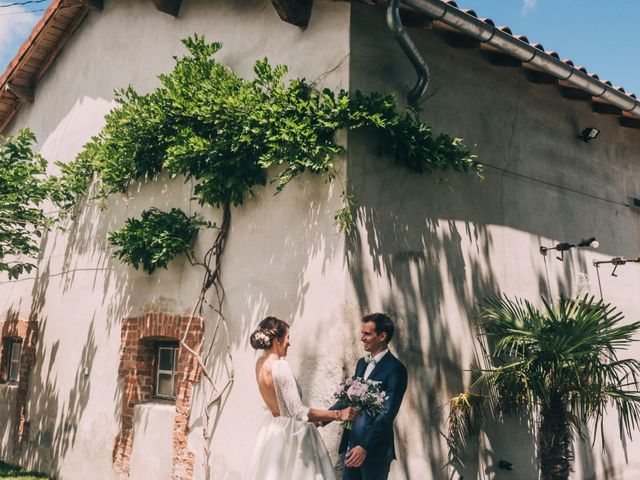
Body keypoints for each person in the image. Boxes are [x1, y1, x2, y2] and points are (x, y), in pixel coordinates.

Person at [244, 316, 358, 480]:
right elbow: (298, 412)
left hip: (273, 428)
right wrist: (339, 414)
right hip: (291, 435)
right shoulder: (280, 367)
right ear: (277, 340)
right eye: (288, 337)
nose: (289, 343)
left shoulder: (260, 363)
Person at [332, 313, 408, 480]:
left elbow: (387, 414)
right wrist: (321, 418)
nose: (362, 338)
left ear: (382, 336)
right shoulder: (362, 363)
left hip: (374, 452)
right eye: (362, 333)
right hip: (352, 446)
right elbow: (349, 397)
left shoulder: (396, 369)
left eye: (367, 334)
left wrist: (364, 447)